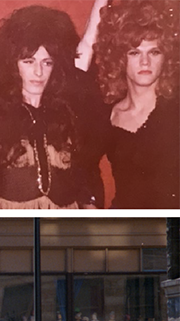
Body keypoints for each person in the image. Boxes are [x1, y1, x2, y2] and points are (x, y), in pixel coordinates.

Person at [0, 6, 106, 209]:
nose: (38, 72)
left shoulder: (67, 111)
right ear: (13, 63)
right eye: (29, 61)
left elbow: (88, 45)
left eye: (47, 62)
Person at [84, 0, 180, 208]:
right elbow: (82, 169)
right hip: (129, 231)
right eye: (135, 53)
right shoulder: (108, 117)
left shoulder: (175, 109)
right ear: (120, 58)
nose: (145, 62)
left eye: (154, 52)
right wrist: (90, 205)